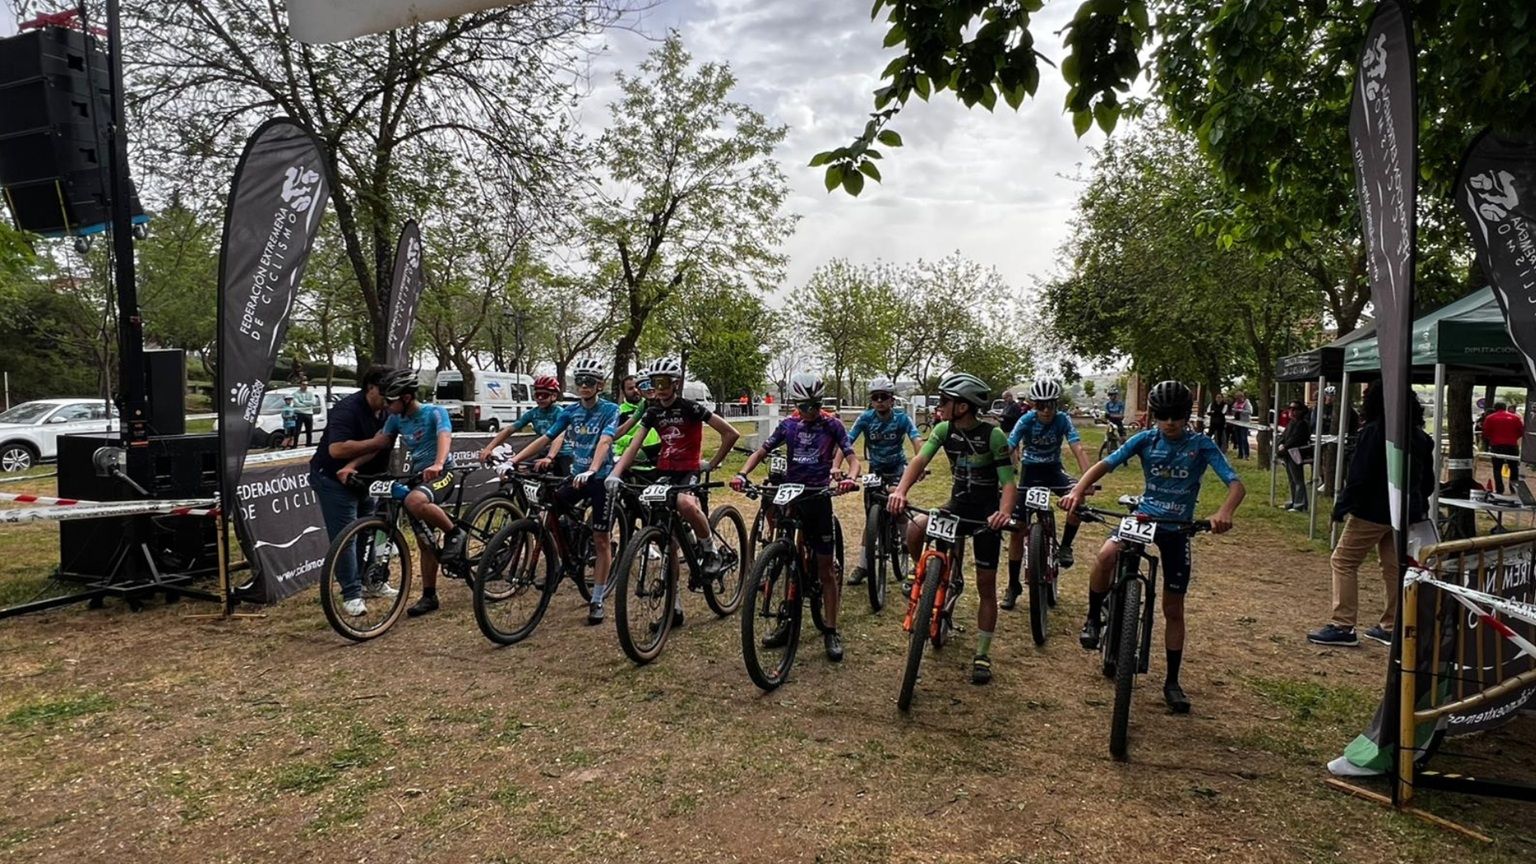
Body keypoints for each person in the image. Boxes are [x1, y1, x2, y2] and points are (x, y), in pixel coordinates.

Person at [1060, 380, 1245, 714]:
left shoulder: (1201, 445)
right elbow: (1105, 464)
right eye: (1163, 416)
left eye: (1176, 416)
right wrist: (1077, 490)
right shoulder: (1146, 439)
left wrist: (1224, 512)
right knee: (1105, 555)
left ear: (1186, 415)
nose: (1170, 423)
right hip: (1144, 517)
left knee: (1173, 609)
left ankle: (1172, 681)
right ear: (1154, 416)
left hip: (1177, 528)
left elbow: (1235, 484)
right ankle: (1093, 617)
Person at [885, 372, 1016, 686]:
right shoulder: (944, 429)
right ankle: (926, 575)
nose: (939, 406)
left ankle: (982, 653)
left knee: (986, 586)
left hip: (985, 515)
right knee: (916, 529)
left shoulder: (994, 436)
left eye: (944, 401)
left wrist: (1003, 513)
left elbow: (1008, 482)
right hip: (956, 506)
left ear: (963, 406)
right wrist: (901, 490)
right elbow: (919, 460)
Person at [606, 356, 741, 626]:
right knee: (664, 538)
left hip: (688, 469)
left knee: (685, 503)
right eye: (655, 383)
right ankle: (674, 607)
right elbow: (633, 446)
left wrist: (712, 463)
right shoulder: (653, 412)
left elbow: (731, 433)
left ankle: (710, 550)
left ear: (676, 384)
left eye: (665, 383)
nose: (660, 388)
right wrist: (615, 473)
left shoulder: (691, 407)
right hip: (665, 470)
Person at [734, 372, 859, 661]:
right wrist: (742, 474)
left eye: (815, 405)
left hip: (818, 496)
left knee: (826, 569)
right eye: (804, 406)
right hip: (792, 494)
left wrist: (850, 479)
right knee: (788, 557)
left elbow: (852, 459)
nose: (810, 411)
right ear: (795, 403)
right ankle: (786, 621)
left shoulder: (832, 425)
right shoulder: (789, 425)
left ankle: (831, 629)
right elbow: (762, 451)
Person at [1307, 382, 1435, 647]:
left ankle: (1343, 625)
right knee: (1393, 567)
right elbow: (1428, 483)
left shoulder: (1374, 432)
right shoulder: (1421, 437)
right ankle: (1392, 625)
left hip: (1372, 510)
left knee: (1343, 561)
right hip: (1406, 512)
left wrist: (1342, 506)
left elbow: (1360, 473)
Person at [501, 357, 621, 624]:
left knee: (601, 538)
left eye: (589, 381)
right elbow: (546, 438)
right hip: (575, 476)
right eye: (580, 381)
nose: (584, 385)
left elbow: (605, 440)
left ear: (600, 385)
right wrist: (513, 461)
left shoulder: (610, 409)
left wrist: (593, 469)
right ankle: (568, 549)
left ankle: (597, 598)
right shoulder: (571, 411)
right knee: (552, 507)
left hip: (600, 477)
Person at [341, 369, 463, 618]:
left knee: (414, 500)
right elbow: (378, 445)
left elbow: (444, 436)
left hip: (443, 473)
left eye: (391, 401)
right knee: (424, 540)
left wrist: (439, 463)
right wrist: (351, 466)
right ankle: (429, 595)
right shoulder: (396, 419)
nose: (386, 406)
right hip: (418, 477)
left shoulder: (434, 412)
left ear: (406, 398)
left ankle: (455, 533)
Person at [310, 366, 397, 618]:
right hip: (333, 480)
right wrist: (376, 442)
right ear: (371, 387)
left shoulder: (387, 411)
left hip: (365, 480)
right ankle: (351, 594)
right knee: (346, 536)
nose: (389, 397)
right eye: (385, 391)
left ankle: (370, 581)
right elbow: (336, 449)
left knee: (367, 531)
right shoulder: (347, 409)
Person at [1002, 378, 1092, 610]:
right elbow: (1010, 446)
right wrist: (997, 473)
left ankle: (1066, 546)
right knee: (1017, 529)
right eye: (1040, 405)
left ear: (1056, 404)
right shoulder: (1026, 420)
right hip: (1030, 473)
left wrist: (1087, 480)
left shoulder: (1063, 419)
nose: (1046, 410)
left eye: (1050, 404)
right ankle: (1013, 585)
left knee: (1078, 496)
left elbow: (1078, 449)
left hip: (1054, 470)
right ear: (1033, 405)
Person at [846, 376, 922, 587]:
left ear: (892, 400)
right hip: (875, 470)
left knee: (897, 505)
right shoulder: (865, 418)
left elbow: (916, 440)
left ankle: (907, 544)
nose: (879, 401)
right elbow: (847, 442)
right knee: (870, 517)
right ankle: (863, 565)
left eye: (884, 397)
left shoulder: (902, 418)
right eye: (875, 397)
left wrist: (921, 463)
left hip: (897, 469)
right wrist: (836, 464)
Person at [477, 375, 568, 470]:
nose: (540, 398)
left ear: (554, 396)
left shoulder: (559, 412)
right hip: (544, 452)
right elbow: (509, 429)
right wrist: (489, 448)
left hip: (564, 453)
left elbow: (559, 436)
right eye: (537, 395)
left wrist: (550, 457)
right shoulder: (533, 413)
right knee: (517, 470)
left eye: (544, 395)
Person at [1482, 401, 1525, 495]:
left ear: (1495, 408)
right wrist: (1513, 438)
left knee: (1497, 468)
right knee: (1514, 468)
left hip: (1497, 445)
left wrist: (1492, 439)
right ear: (1505, 408)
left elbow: (1485, 432)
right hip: (1512, 445)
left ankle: (1499, 489)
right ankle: (1513, 489)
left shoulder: (1490, 418)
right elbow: (1521, 431)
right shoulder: (1515, 417)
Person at [1278, 400, 1312, 511]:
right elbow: (1284, 436)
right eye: (1290, 408)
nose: (1291, 411)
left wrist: (1285, 446)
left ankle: (1300, 504)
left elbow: (1296, 439)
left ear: (1301, 411)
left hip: (1296, 453)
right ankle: (1293, 501)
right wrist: (1280, 444)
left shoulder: (1303, 424)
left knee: (1298, 480)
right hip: (1288, 454)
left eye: (1294, 409)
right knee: (1292, 479)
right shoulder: (1291, 423)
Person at [293, 379, 321, 446]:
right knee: (297, 430)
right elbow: (297, 404)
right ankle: (295, 444)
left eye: (306, 385)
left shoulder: (311, 393)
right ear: (300, 385)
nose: (305, 386)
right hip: (299, 413)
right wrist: (308, 404)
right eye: (303, 385)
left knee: (309, 430)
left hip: (309, 413)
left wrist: (303, 402)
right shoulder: (295, 394)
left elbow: (313, 402)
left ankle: (309, 444)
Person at [1228, 390, 1251, 459]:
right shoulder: (1235, 403)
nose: (1237, 399)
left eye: (1238, 398)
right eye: (1236, 398)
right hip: (1237, 423)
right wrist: (1233, 411)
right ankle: (1240, 454)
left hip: (1244, 423)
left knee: (1244, 438)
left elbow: (1250, 411)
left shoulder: (1246, 403)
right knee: (1238, 439)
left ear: (1242, 397)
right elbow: (1233, 411)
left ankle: (1246, 454)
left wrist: (1240, 410)